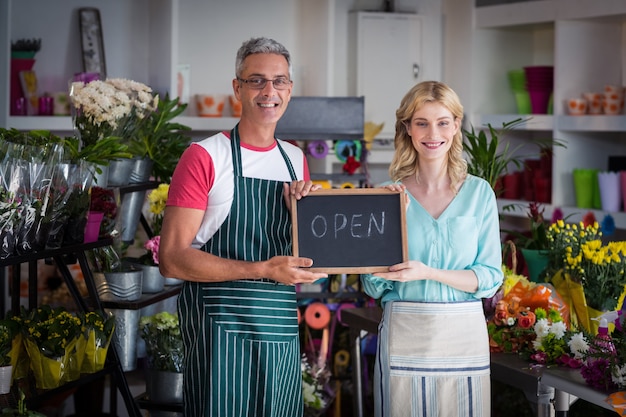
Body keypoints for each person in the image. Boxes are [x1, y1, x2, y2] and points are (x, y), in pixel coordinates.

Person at [158, 37, 328, 417]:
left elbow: (302, 259)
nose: (270, 91)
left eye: (280, 81)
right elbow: (171, 260)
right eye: (256, 81)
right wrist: (263, 269)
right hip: (220, 328)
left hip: (279, 326)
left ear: (290, 89)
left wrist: (312, 230)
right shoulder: (204, 157)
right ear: (237, 88)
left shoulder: (295, 160)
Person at [361, 80, 504, 417]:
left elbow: (489, 278)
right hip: (404, 333)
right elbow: (372, 284)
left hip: (464, 336)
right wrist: (391, 235)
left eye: (442, 122)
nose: (432, 133)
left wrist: (428, 272)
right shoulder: (387, 196)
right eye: (421, 122)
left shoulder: (479, 193)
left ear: (456, 125)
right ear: (407, 128)